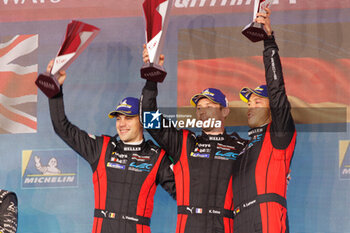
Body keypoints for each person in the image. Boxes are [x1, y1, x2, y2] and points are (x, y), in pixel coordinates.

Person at [46, 61, 176, 233]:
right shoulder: (102, 148)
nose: (121, 124)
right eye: (118, 118)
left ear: (142, 121)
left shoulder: (157, 156)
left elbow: (186, 194)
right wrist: (55, 92)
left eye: (128, 117)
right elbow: (62, 128)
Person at [141, 46, 247, 233]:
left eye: (209, 105)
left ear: (225, 111)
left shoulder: (242, 147)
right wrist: (151, 77)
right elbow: (149, 118)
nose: (202, 111)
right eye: (199, 107)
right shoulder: (185, 142)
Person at [232, 8, 296, 233]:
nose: (251, 106)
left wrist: (269, 42)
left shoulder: (279, 135)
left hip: (267, 219)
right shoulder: (241, 148)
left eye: (258, 102)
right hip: (239, 222)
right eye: (249, 103)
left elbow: (277, 90)